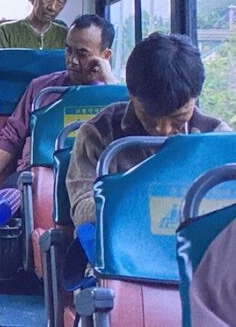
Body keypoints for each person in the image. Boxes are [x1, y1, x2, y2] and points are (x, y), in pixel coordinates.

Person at [67, 33, 231, 226]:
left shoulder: (217, 138)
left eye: (177, 118)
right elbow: (81, 208)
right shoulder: (99, 135)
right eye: (150, 115)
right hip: (125, 243)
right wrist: (145, 203)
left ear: (195, 98)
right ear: (130, 94)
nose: (163, 129)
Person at [0, 14, 117, 198]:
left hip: (90, 179)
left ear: (105, 56)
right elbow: (11, 138)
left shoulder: (114, 97)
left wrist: (109, 82)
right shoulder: (42, 88)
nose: (72, 61)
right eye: (68, 51)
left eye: (82, 54)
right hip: (34, 176)